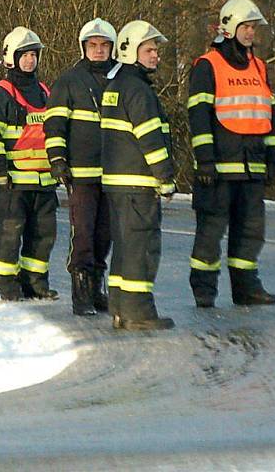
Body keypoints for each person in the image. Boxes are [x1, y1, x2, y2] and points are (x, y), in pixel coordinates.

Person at [187, 0, 275, 307]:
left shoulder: (260, 67)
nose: (252, 32)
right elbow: (198, 116)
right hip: (219, 169)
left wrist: (273, 155)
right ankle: (204, 290)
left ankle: (246, 288)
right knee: (210, 234)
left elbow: (269, 114)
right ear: (229, 28)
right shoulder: (207, 66)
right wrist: (205, 160)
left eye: (254, 27)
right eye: (246, 26)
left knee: (251, 232)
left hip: (252, 167)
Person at [100, 20, 176, 330]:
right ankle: (138, 311)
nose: (155, 55)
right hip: (138, 183)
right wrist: (166, 177)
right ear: (131, 51)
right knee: (141, 247)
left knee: (123, 247)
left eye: (156, 50)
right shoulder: (138, 90)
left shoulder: (115, 86)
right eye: (149, 50)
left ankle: (119, 307)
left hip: (117, 185)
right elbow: (151, 139)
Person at [0, 26, 59, 301]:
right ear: (11, 58)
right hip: (13, 183)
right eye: (24, 55)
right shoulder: (1, 94)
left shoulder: (46, 91)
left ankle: (36, 283)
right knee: (10, 236)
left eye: (33, 55)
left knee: (43, 236)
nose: (30, 60)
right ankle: (8, 287)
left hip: (44, 183)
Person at [44, 18, 117, 316]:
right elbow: (55, 124)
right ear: (83, 47)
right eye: (92, 45)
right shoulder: (69, 81)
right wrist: (58, 160)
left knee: (105, 234)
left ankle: (97, 287)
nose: (98, 51)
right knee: (84, 233)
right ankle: (81, 293)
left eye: (103, 46)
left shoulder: (121, 78)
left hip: (114, 172)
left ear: (112, 48)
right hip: (81, 174)